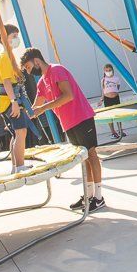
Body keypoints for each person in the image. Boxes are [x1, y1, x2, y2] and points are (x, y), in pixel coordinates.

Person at [21, 48, 105, 211]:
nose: (28, 72)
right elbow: (35, 107)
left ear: (36, 61)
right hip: (68, 123)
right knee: (84, 158)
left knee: (92, 155)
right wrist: (21, 114)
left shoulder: (57, 70)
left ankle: (99, 197)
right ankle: (88, 196)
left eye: (28, 67)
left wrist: (43, 109)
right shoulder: (41, 82)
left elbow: (68, 96)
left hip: (81, 117)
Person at [0, 24, 30, 174]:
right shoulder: (4, 57)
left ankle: (16, 166)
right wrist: (13, 102)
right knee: (21, 131)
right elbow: (6, 82)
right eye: (13, 36)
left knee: (17, 132)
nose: (16, 39)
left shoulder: (7, 57)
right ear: (4, 39)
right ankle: (20, 166)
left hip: (7, 100)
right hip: (9, 100)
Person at [100, 64, 124, 139]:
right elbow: (103, 90)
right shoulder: (103, 80)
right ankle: (113, 132)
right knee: (109, 116)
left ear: (112, 70)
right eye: (106, 70)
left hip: (116, 98)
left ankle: (120, 130)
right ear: (104, 71)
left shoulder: (116, 78)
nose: (108, 72)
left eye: (109, 70)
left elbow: (118, 87)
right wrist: (101, 99)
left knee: (118, 115)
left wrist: (114, 92)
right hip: (107, 99)